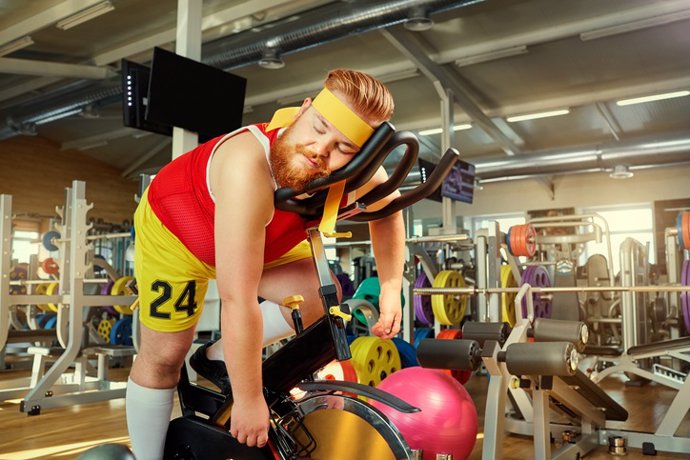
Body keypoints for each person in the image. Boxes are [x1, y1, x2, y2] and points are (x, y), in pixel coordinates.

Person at [125, 69, 405, 460]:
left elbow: (388, 212)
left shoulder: (359, 173)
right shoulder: (247, 165)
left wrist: (391, 286)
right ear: (303, 110)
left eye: (343, 147)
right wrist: (248, 398)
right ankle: (147, 457)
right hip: (178, 232)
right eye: (318, 126)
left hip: (262, 235)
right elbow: (237, 298)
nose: (321, 149)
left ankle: (217, 358)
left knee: (317, 299)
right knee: (165, 357)